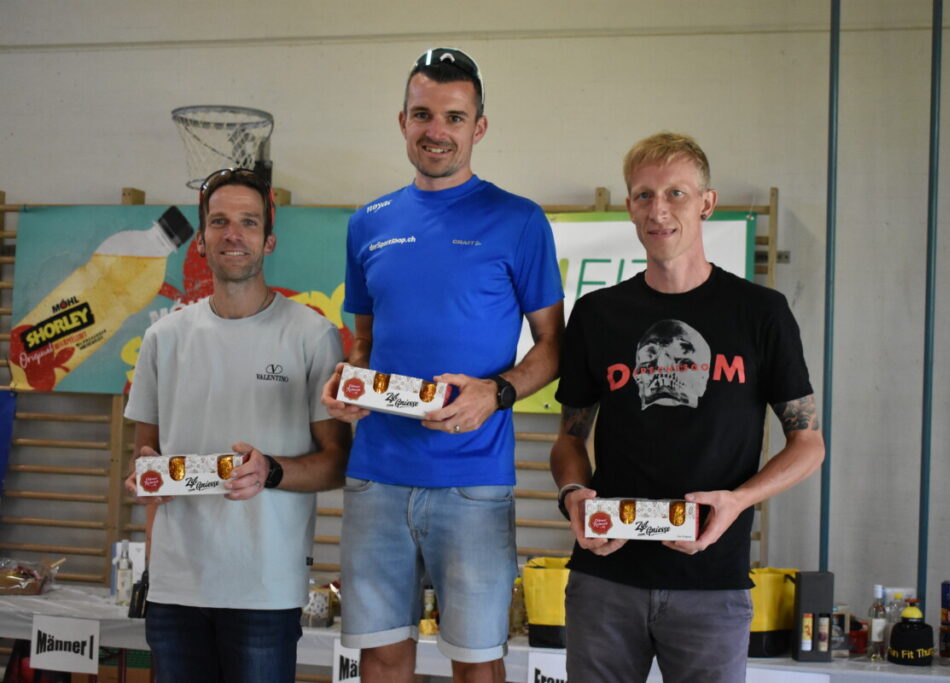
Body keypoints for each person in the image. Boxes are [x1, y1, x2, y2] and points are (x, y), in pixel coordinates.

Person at [321, 47, 564, 683]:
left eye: (454, 117)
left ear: (478, 127)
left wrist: (496, 392)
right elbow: (364, 343)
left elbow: (553, 346)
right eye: (423, 114)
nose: (437, 131)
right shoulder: (367, 223)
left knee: (478, 664)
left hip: (473, 481)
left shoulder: (520, 220)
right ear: (402, 120)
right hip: (376, 476)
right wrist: (350, 382)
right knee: (380, 658)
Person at [550, 132, 825, 683]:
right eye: (644, 195)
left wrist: (737, 501)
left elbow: (809, 443)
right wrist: (573, 493)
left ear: (706, 202)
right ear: (630, 206)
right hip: (606, 578)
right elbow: (570, 438)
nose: (659, 210)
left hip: (712, 584)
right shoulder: (598, 313)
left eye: (676, 193)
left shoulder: (761, 313)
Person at [124, 168, 350, 683]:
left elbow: (336, 463)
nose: (233, 234)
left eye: (248, 222)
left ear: (269, 240)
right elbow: (145, 453)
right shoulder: (165, 337)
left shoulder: (312, 335)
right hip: (175, 587)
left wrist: (270, 471)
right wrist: (146, 474)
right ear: (201, 240)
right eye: (219, 221)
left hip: (264, 589)